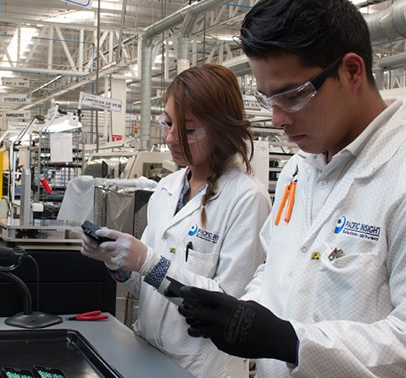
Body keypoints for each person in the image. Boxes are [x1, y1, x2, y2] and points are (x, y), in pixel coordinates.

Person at [177, 0, 406, 376]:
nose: (278, 118)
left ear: (351, 71)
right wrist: (243, 312)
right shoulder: (298, 170)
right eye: (267, 99)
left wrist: (291, 342)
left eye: (293, 94)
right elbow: (279, 267)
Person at [80, 64, 271, 377]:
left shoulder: (247, 198)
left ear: (222, 129)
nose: (171, 138)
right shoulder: (167, 189)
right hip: (147, 355)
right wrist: (117, 263)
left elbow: (231, 307)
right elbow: (146, 284)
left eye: (188, 130)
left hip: (201, 368)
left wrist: (149, 262)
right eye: (167, 123)